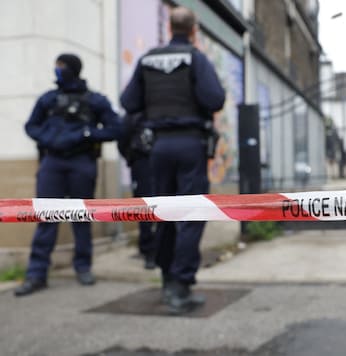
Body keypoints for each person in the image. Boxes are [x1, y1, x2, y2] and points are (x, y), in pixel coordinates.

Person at [120, 6, 225, 314]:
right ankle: (180, 286)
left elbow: (128, 103)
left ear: (169, 29)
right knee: (191, 214)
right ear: (193, 31)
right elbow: (215, 99)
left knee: (163, 213)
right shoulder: (196, 58)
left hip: (158, 148)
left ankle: (167, 279)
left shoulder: (148, 59)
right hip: (190, 145)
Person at [15, 53, 122, 297]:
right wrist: (49, 138)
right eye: (57, 66)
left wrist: (87, 134)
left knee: (81, 217)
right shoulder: (49, 99)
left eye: (62, 66)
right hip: (52, 162)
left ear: (73, 68)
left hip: (82, 162)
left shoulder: (95, 100)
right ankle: (36, 273)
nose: (58, 70)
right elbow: (31, 126)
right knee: (46, 217)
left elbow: (116, 129)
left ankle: (83, 267)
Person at [117, 112, 157, 269]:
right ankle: (149, 251)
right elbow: (122, 136)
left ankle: (163, 249)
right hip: (143, 163)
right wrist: (132, 157)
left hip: (162, 161)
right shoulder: (137, 113)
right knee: (145, 208)